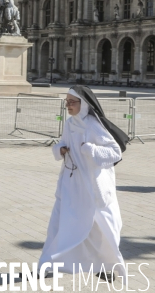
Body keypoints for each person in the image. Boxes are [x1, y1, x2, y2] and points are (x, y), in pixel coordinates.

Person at [39, 85, 129, 281]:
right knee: (61, 223)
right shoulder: (70, 123)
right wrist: (60, 150)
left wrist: (91, 149)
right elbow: (62, 143)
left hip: (92, 187)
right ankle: (50, 262)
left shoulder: (93, 125)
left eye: (72, 102)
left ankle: (105, 266)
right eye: (67, 102)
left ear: (84, 104)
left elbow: (115, 152)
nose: (68, 106)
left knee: (100, 228)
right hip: (71, 184)